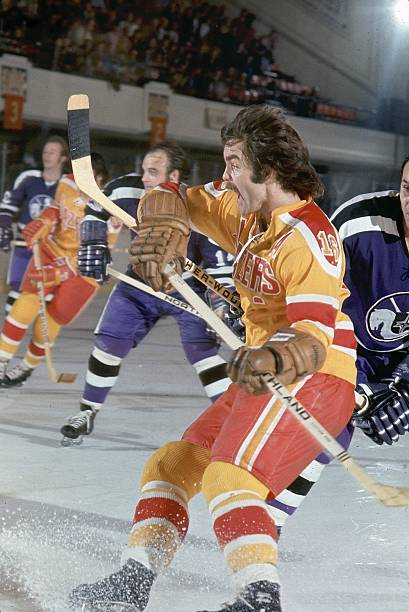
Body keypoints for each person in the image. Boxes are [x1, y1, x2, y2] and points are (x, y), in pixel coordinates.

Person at [68, 105, 357, 612]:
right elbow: (176, 196)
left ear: (267, 170)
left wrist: (271, 356)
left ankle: (259, 596)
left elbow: (312, 339)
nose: (225, 176)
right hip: (266, 373)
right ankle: (135, 580)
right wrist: (164, 219)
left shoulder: (310, 239)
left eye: (233, 164)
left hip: (315, 376)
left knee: (229, 476)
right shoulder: (243, 207)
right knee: (172, 464)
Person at [59, 141, 234, 443]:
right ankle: (87, 411)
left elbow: (218, 269)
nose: (145, 179)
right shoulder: (129, 189)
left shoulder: (199, 205)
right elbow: (96, 209)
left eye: (153, 172)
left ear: (175, 175)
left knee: (204, 354)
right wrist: (93, 242)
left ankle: (234, 425)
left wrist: (222, 306)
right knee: (108, 344)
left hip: (187, 288)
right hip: (139, 282)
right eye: (144, 171)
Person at [0, 153, 109, 386]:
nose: (77, 183)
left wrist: (60, 272)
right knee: (24, 305)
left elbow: (95, 254)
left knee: (50, 321)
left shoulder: (110, 206)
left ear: (98, 178)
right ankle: (1, 361)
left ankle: (26, 367)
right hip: (52, 250)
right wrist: (45, 221)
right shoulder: (68, 182)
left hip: (84, 271)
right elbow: (56, 206)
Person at [329, 157, 409, 446]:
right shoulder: (358, 221)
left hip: (399, 358)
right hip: (344, 347)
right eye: (407, 188)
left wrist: (404, 390)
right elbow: (312, 287)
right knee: (325, 439)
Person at [0, 135, 68, 313]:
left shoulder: (69, 184)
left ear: (62, 158)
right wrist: (4, 225)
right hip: (25, 243)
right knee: (17, 289)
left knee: (47, 294)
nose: (47, 155)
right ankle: (9, 335)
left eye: (52, 152)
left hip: (51, 248)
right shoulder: (28, 177)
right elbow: (7, 206)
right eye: (45, 151)